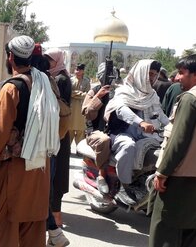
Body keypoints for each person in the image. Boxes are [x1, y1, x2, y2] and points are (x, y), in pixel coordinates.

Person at [0, 36, 58, 247]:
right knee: (33, 234)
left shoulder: (12, 88)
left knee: (6, 230)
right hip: (40, 172)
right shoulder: (45, 83)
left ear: (10, 57)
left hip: (15, 173)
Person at [150, 54, 196, 247]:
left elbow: (179, 141)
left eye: (181, 73)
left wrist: (162, 173)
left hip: (180, 178)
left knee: (165, 230)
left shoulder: (190, 99)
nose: (177, 78)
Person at [104, 59, 168, 204]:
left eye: (155, 75)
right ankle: (123, 186)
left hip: (144, 136)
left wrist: (172, 126)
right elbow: (121, 110)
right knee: (128, 146)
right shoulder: (124, 91)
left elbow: (160, 114)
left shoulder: (152, 95)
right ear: (140, 73)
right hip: (121, 133)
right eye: (150, 74)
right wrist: (141, 122)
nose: (152, 78)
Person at [44, 48, 72, 227]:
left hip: (58, 132)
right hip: (60, 130)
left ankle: (56, 218)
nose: (47, 63)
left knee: (55, 173)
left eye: (50, 60)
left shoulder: (60, 79)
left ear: (58, 60)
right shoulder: (60, 76)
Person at [81, 62, 113, 194]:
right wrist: (98, 96)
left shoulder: (117, 92)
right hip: (95, 131)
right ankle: (101, 175)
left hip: (113, 129)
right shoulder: (94, 91)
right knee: (104, 140)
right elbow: (87, 112)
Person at [70, 63, 90, 144]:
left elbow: (87, 95)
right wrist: (80, 94)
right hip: (71, 108)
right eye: (76, 69)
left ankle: (79, 150)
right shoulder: (71, 80)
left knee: (80, 130)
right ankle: (68, 149)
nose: (76, 71)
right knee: (70, 130)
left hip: (81, 109)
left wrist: (75, 94)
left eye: (78, 70)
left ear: (82, 71)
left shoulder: (86, 81)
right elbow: (69, 93)